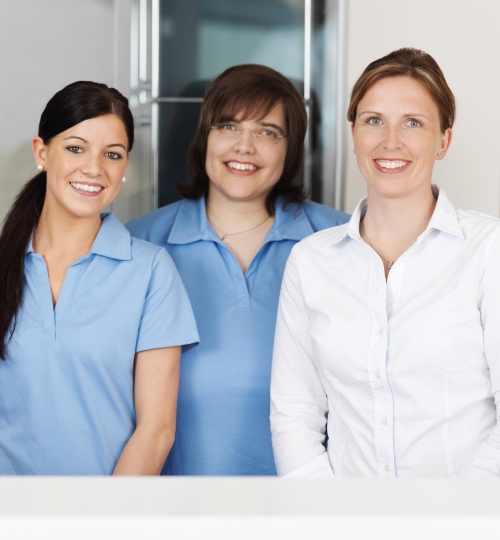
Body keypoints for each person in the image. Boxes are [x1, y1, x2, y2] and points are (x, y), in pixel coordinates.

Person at [271, 48, 500, 478]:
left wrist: (459, 519)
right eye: (373, 120)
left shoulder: (489, 250)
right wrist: (330, 519)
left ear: (444, 141)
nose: (390, 141)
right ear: (354, 134)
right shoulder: (311, 261)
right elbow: (293, 413)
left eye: (413, 123)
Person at [127, 64, 349, 475]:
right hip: (176, 502)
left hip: (310, 500)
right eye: (228, 126)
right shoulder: (140, 244)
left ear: (291, 149)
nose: (244, 146)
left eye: (267, 132)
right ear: (204, 139)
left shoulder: (340, 238)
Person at [0, 81, 199, 475]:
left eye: (113, 154)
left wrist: (105, 524)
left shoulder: (151, 272)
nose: (94, 168)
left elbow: (156, 431)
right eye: (76, 148)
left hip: (106, 518)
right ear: (42, 152)